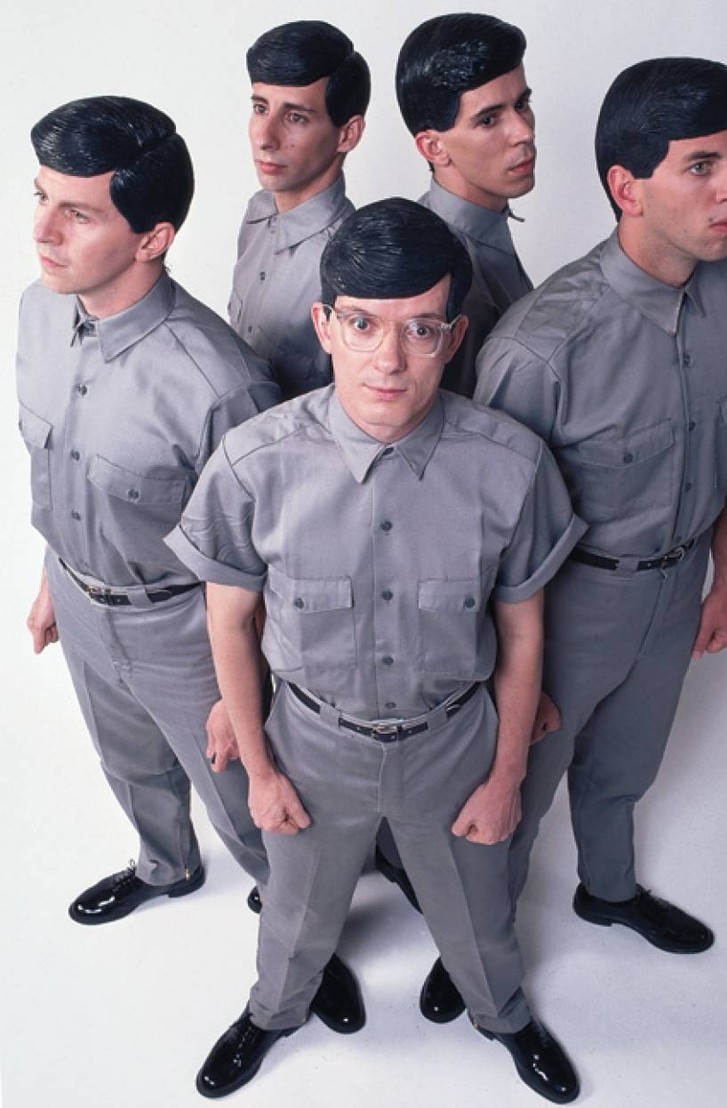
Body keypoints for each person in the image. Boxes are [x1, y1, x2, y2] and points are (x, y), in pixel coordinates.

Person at [167, 199, 586, 1102]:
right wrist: (263, 771)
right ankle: (273, 1011)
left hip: (454, 743)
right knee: (295, 909)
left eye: (420, 329)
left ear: (454, 336)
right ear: (325, 325)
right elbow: (228, 624)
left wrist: (506, 776)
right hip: (312, 746)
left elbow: (523, 632)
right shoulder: (252, 464)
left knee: (480, 907)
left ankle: (504, 1014)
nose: (389, 360)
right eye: (362, 325)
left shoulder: (513, 466)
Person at [16, 95, 360, 1033]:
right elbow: (58, 465)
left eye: (76, 213)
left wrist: (241, 690)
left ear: (153, 237)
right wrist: (54, 578)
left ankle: (306, 938)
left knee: (249, 804)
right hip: (84, 603)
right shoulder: (36, 314)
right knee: (127, 763)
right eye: (41, 198)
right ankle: (164, 865)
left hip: (189, 631)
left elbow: (276, 555)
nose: (42, 231)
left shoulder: (219, 383)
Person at [475, 58, 727, 953]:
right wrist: (511, 668)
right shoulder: (543, 347)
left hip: (676, 592)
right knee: (517, 786)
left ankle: (607, 891)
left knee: (625, 770)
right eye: (702, 166)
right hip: (567, 610)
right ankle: (479, 946)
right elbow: (480, 539)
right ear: (626, 187)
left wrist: (725, 579)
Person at [395, 12, 535, 397]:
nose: (524, 132)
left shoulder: (483, 226)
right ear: (433, 147)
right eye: (489, 120)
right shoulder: (446, 276)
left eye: (522, 103)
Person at [229, 20, 369, 399]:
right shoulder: (257, 212)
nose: (265, 137)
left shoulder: (353, 262)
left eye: (295, 117)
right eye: (260, 108)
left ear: (347, 134)